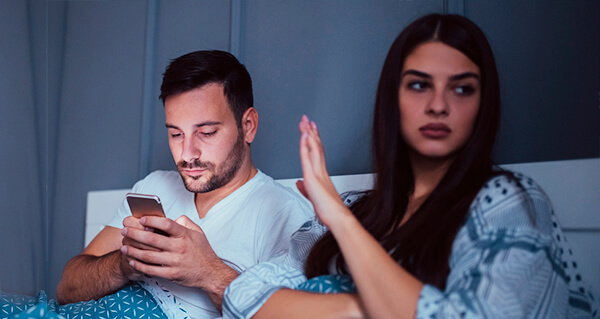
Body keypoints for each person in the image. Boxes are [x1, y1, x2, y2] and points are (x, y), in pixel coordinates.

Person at [223, 14, 598, 318]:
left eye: (462, 88)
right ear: (393, 98)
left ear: (484, 104)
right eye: (419, 86)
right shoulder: (359, 207)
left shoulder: (508, 202)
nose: (438, 105)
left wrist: (339, 219)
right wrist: (367, 306)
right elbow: (242, 297)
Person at [51, 50, 314, 318]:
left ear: (248, 125)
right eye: (176, 134)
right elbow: (67, 289)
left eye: (207, 132)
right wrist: (125, 264)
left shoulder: (283, 214)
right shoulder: (154, 187)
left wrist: (207, 272)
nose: (187, 153)